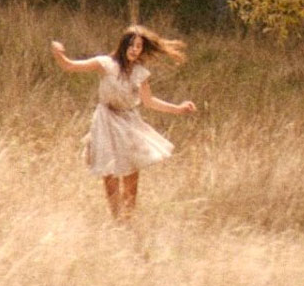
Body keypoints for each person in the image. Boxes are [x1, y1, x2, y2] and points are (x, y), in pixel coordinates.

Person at [50, 25, 197, 220]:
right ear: (123, 45)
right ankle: (116, 218)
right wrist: (59, 54)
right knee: (109, 172)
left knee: (131, 172)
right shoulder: (105, 63)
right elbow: (70, 66)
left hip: (129, 121)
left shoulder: (140, 73)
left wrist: (178, 108)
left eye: (139, 46)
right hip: (105, 120)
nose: (135, 50)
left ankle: (128, 219)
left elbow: (149, 101)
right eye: (132, 45)